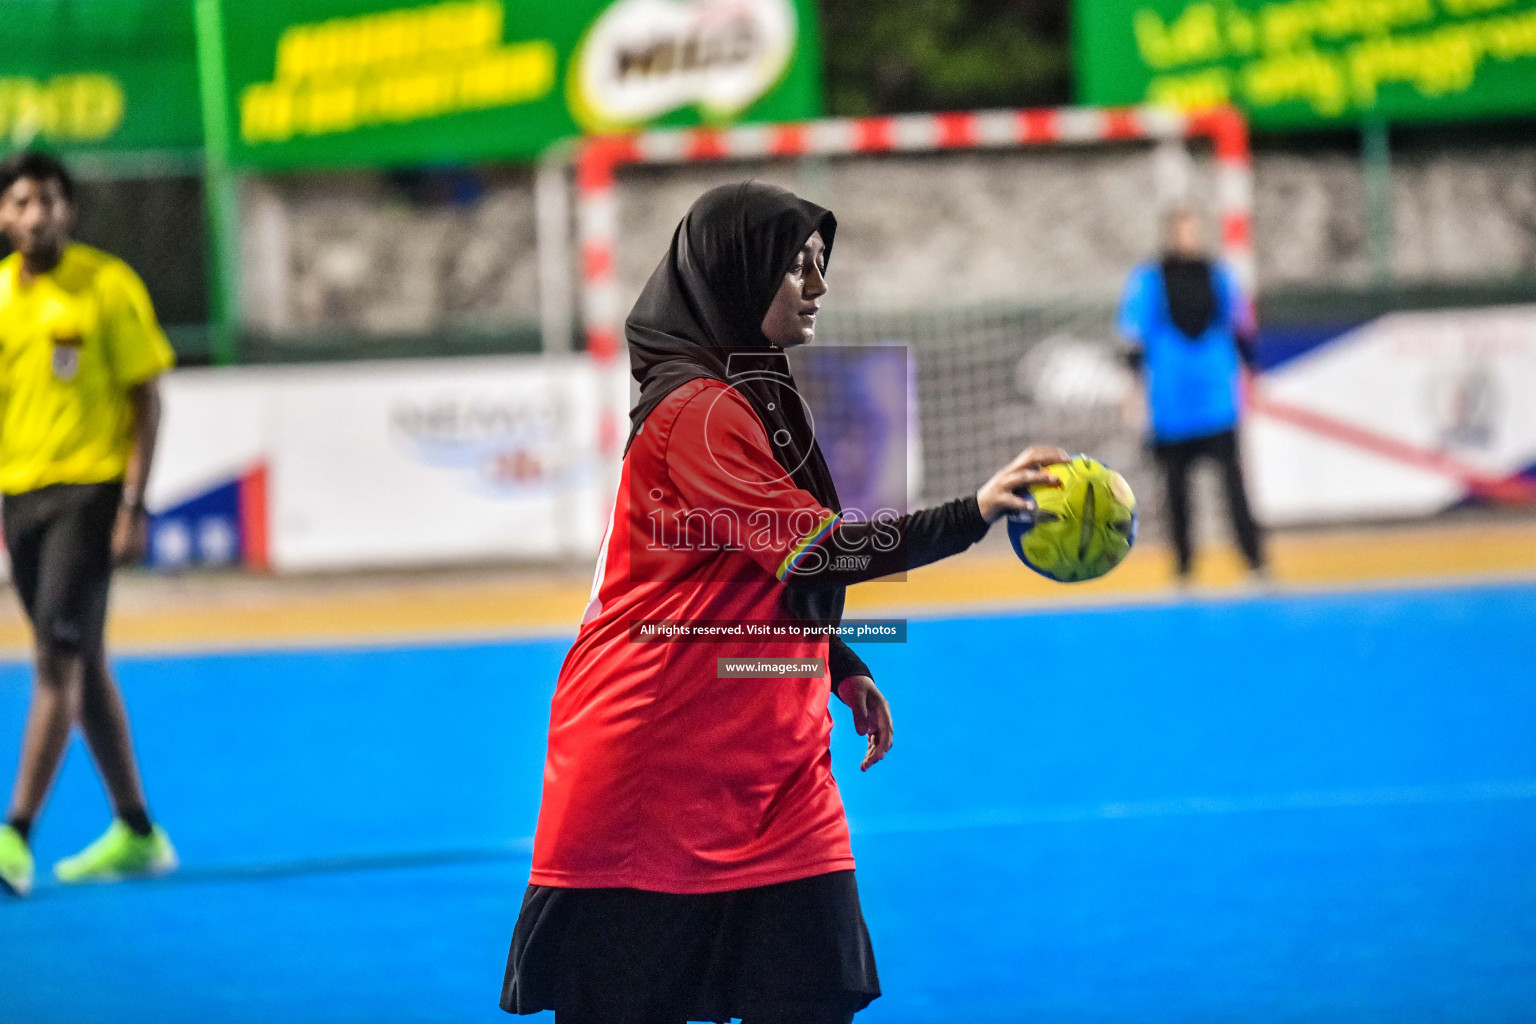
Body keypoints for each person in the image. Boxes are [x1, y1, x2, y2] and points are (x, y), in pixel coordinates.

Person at [500, 181, 1067, 1024]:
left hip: (775, 772)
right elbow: (815, 546)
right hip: (658, 774)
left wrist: (836, 663)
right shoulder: (696, 412)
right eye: (797, 268)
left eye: (818, 265)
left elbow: (752, 568)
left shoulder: (753, 397)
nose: (819, 285)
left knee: (810, 996)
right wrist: (972, 514)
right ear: (736, 277)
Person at [0, 152, 177, 898]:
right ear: (4, 216)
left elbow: (148, 400)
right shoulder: (1, 296)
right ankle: (137, 831)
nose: (37, 214)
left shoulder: (109, 286)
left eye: (50, 200)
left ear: (69, 210)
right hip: (22, 499)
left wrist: (134, 504)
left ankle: (14, 836)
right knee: (81, 656)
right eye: (22, 202)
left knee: (56, 664)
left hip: (90, 493)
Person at [1118, 208, 1267, 584]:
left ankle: (1255, 561)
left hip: (1216, 400)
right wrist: (1133, 390)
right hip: (1171, 403)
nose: (1191, 237)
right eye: (1184, 230)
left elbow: (1241, 329)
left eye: (1195, 230)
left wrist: (1251, 376)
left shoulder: (1219, 276)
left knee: (1233, 486)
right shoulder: (1149, 280)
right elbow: (1133, 337)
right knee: (1176, 491)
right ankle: (1184, 567)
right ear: (1171, 234)